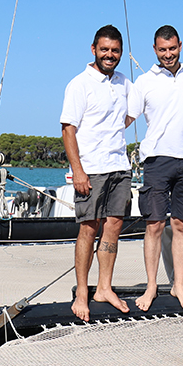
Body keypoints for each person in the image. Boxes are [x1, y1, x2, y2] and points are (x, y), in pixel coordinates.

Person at [127, 25, 183, 314]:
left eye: (172, 48)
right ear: (155, 50)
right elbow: (126, 119)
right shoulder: (144, 82)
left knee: (181, 225)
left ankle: (179, 285)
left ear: (180, 46)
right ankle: (152, 285)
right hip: (156, 160)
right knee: (154, 225)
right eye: (162, 50)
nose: (168, 54)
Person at [60, 25, 135, 322]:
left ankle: (104, 287)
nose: (109, 55)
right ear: (94, 49)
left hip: (119, 167)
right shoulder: (79, 84)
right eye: (104, 49)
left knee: (113, 226)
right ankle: (82, 291)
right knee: (88, 229)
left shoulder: (124, 82)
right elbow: (68, 129)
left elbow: (130, 113)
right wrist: (78, 170)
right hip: (91, 169)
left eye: (115, 51)